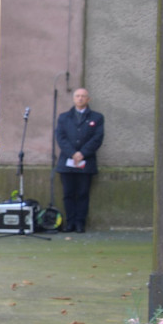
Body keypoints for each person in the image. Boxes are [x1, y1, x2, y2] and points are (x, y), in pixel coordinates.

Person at [55, 88, 105, 233]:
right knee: (68, 193)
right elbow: (61, 137)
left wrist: (82, 153)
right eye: (77, 96)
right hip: (67, 163)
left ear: (88, 99)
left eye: (83, 96)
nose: (80, 98)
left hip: (86, 162)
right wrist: (72, 153)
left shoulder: (97, 117)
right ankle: (70, 222)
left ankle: (80, 223)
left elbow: (97, 138)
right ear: (73, 98)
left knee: (83, 193)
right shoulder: (64, 117)